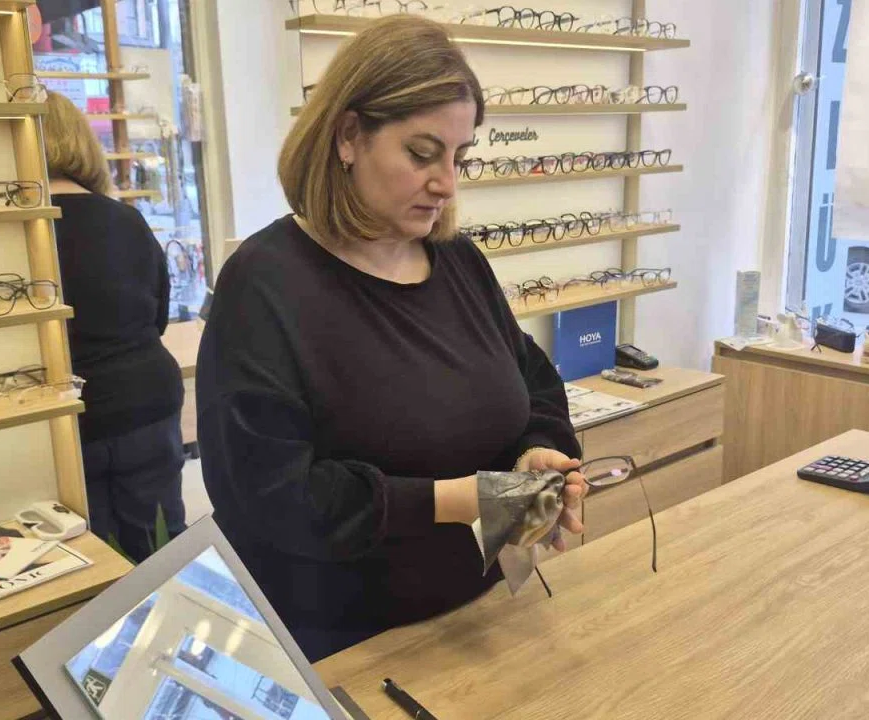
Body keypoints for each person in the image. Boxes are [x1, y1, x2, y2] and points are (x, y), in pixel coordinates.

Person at [196, 16, 587, 662]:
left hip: (481, 618)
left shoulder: (458, 261)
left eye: (459, 158)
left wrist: (537, 455)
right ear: (349, 136)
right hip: (342, 644)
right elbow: (270, 496)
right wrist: (458, 501)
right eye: (423, 154)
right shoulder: (265, 285)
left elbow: (532, 385)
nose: (447, 184)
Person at [41, 91, 186, 562]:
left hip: (71, 413)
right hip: (147, 399)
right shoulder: (127, 220)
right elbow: (158, 317)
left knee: (89, 558)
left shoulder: (20, 229)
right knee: (161, 546)